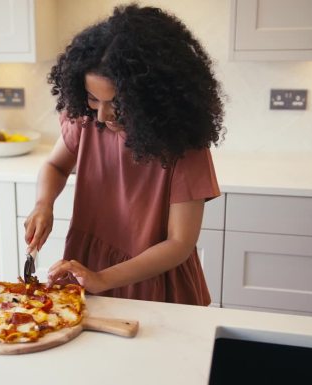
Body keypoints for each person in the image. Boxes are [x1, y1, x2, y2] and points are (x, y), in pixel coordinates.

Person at [23, 4, 224, 305]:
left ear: (153, 97)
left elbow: (179, 243)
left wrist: (104, 278)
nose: (102, 115)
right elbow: (55, 164)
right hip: (89, 265)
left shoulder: (183, 145)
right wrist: (43, 203)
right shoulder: (86, 120)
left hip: (153, 279)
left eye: (117, 103)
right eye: (93, 98)